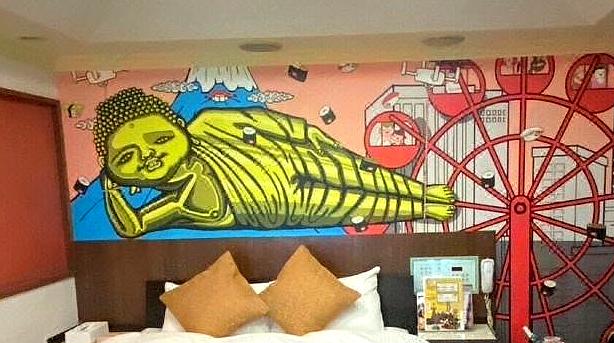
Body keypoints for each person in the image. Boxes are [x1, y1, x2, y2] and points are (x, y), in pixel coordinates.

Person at [94, 88, 455, 237]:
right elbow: (132, 227)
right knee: (356, 204)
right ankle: (424, 206)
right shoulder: (178, 203)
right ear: (114, 170)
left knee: (364, 174)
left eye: (159, 139)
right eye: (126, 158)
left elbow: (267, 122)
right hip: (293, 207)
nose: (149, 156)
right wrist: (109, 186)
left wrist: (310, 135)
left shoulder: (207, 123)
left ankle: (423, 193)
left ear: (179, 127)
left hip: (294, 160)